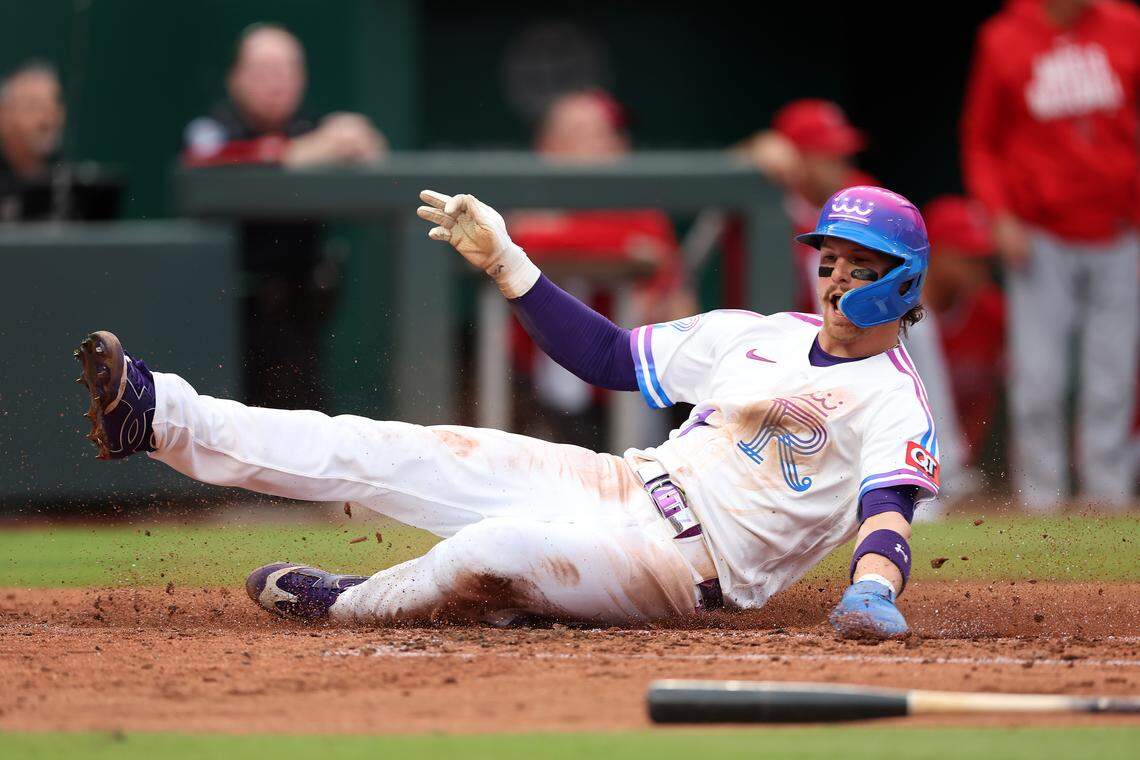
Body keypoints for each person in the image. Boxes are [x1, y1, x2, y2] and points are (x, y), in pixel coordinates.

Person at [74, 185, 937, 640]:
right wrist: (511, 265)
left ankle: (348, 604)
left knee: (493, 553)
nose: (835, 278)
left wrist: (871, 587)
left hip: (679, 568)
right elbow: (607, 357)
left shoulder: (893, 396)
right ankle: (158, 417)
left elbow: (888, 510)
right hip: (619, 484)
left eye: (858, 266)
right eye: (829, 259)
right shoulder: (761, 333)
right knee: (392, 449)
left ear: (900, 283)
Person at [962, 0, 1140, 511]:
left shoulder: (1126, 25)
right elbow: (981, 141)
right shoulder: (1004, 36)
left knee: (1113, 374)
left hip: (1119, 229)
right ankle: (1041, 497)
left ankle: (1107, 494)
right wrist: (999, 214)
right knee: (1039, 376)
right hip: (1040, 233)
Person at [182, 23, 386, 410]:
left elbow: (366, 149)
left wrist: (360, 141)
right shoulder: (213, 128)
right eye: (264, 71)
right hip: (229, 317)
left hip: (300, 314)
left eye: (287, 70)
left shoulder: (309, 126)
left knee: (303, 422)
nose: (276, 82)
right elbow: (206, 157)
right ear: (236, 78)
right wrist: (300, 152)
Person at [508, 89, 690, 446]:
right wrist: (618, 246)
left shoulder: (641, 211)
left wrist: (564, 234)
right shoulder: (530, 198)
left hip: (625, 388)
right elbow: (524, 238)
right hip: (537, 388)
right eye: (584, 134)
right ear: (547, 147)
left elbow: (674, 298)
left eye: (608, 133)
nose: (605, 144)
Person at [922, 196, 1006, 471]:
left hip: (964, 461)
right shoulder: (894, 318)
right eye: (968, 257)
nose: (980, 270)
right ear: (935, 252)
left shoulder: (992, 312)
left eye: (984, 259)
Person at [0, 61, 120, 221]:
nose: (47, 120)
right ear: (3, 115)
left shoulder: (75, 188)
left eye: (54, 106)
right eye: (33, 107)